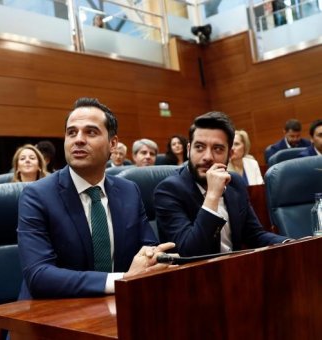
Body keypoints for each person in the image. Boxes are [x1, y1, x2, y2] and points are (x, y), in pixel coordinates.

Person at [17, 97, 175, 300]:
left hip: (118, 308)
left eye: (90, 132)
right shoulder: (37, 195)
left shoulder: (129, 191)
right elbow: (39, 276)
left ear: (113, 143)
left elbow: (148, 251)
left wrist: (156, 259)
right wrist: (121, 279)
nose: (78, 139)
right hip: (51, 314)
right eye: (71, 132)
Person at [154, 111, 289, 257]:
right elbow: (190, 253)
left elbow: (254, 235)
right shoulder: (169, 190)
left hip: (235, 271)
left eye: (218, 149)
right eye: (199, 147)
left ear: (230, 155)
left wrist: (289, 243)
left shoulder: (234, 182)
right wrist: (213, 195)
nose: (207, 157)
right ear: (188, 150)